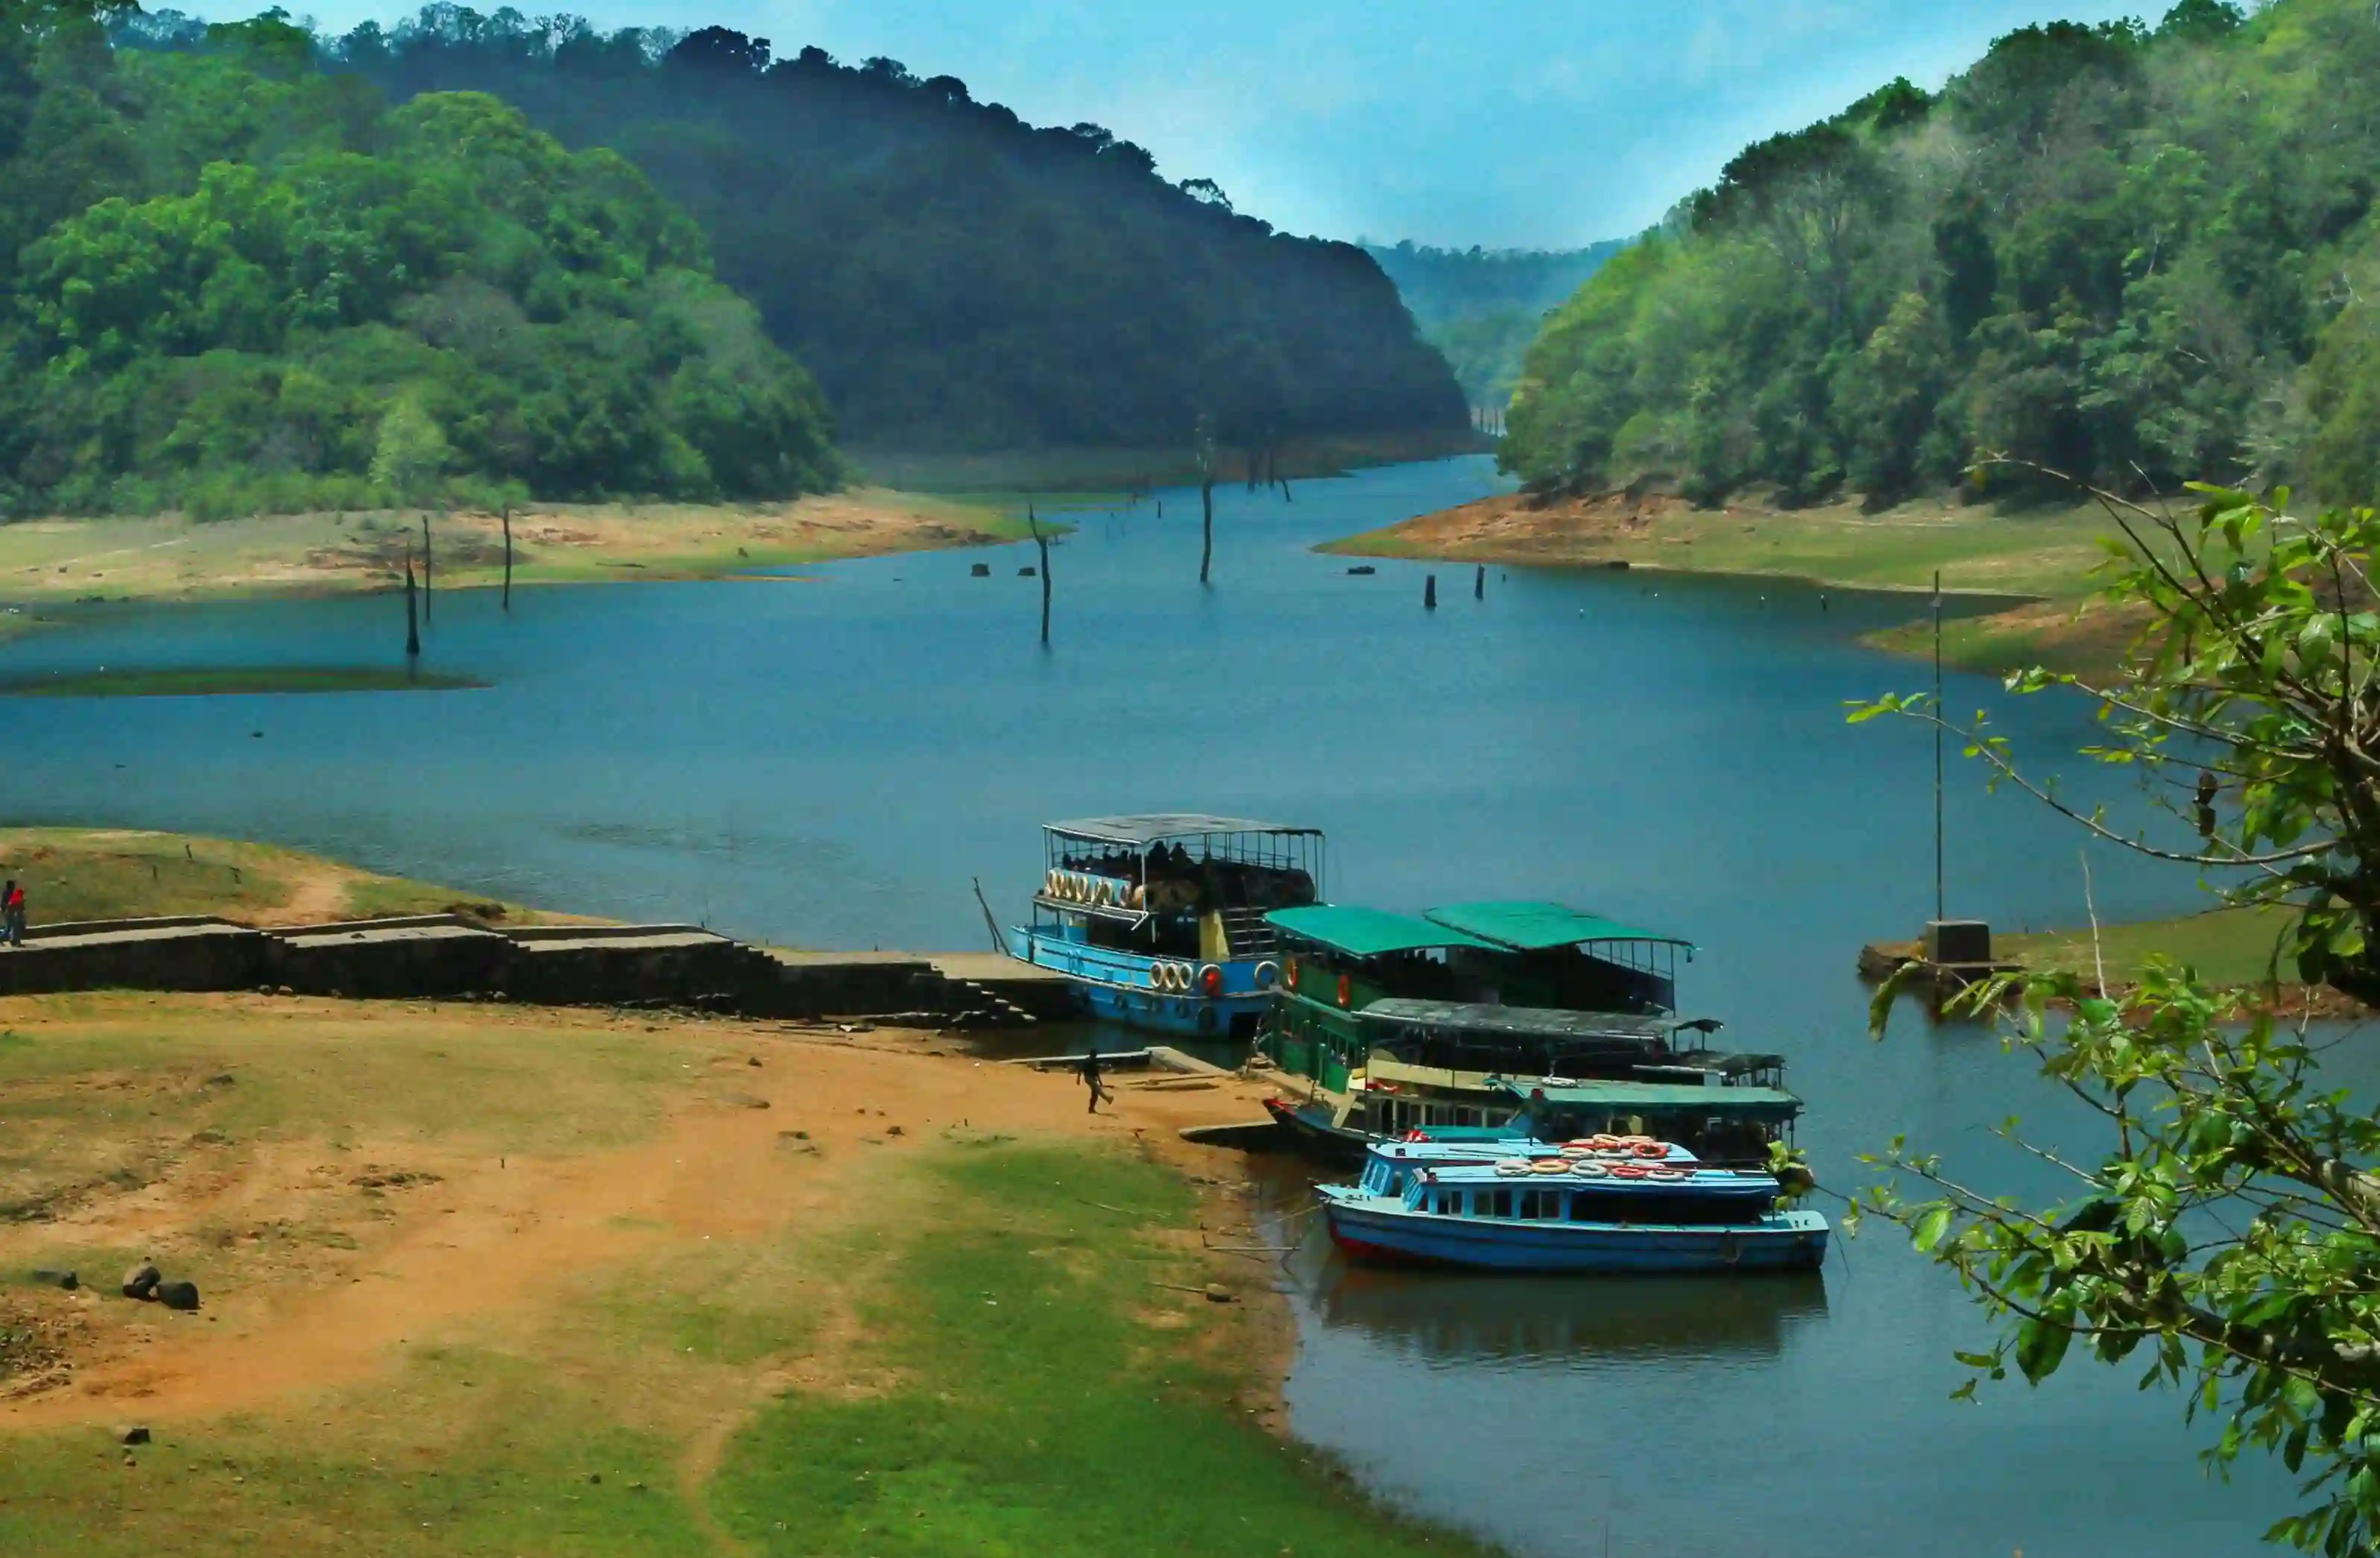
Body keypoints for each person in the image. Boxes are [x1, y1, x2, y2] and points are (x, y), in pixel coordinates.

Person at [1079, 1045, 1113, 1114]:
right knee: (1097, 1088)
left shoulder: (1093, 1062)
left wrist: (1100, 1082)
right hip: (1089, 1078)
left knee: (1095, 1094)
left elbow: (1097, 1073)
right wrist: (1078, 1079)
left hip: (1092, 1078)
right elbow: (1081, 1070)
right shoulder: (1088, 1061)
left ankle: (1091, 1109)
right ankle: (1108, 1099)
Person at [2, 880, 22, 947]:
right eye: (13, 885)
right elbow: (11, 902)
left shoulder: (6, 892)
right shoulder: (9, 893)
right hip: (10, 911)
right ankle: (14, 941)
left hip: (8, 911)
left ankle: (13, 941)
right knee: (15, 927)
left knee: (8, 928)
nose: (14, 886)